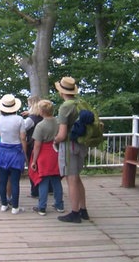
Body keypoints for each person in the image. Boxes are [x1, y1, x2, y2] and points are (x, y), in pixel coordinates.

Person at [54, 76, 90, 223]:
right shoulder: (80, 103)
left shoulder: (65, 107)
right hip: (81, 145)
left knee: (71, 179)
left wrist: (54, 140)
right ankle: (83, 210)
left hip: (70, 146)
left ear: (61, 92)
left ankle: (74, 213)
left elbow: (62, 134)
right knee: (77, 178)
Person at [30, 100, 64, 216]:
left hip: (43, 154)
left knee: (43, 181)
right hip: (56, 152)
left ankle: (42, 207)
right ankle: (59, 205)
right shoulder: (59, 122)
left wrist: (34, 160)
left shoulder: (40, 126)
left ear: (41, 111)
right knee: (56, 180)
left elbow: (37, 145)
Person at [0, 94, 27, 214]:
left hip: (3, 150)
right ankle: (15, 207)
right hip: (16, 151)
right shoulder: (19, 120)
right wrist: (25, 155)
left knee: (2, 180)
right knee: (15, 181)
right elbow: (23, 138)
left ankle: (4, 204)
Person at [22, 96, 44, 197]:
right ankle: (44, 189)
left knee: (33, 167)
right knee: (41, 168)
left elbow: (23, 129)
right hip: (43, 145)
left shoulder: (30, 120)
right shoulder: (43, 117)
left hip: (32, 145)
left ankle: (34, 190)